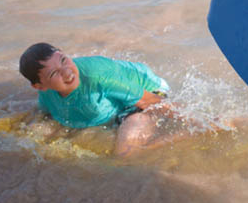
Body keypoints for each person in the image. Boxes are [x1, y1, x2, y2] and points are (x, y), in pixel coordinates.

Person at [19, 43, 179, 156]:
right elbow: (43, 113)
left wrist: (192, 121)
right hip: (115, 105)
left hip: (148, 91)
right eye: (54, 74)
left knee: (125, 152)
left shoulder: (98, 77)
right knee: (33, 136)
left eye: (63, 60)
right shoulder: (46, 94)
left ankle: (180, 137)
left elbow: (150, 101)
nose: (67, 73)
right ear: (39, 86)